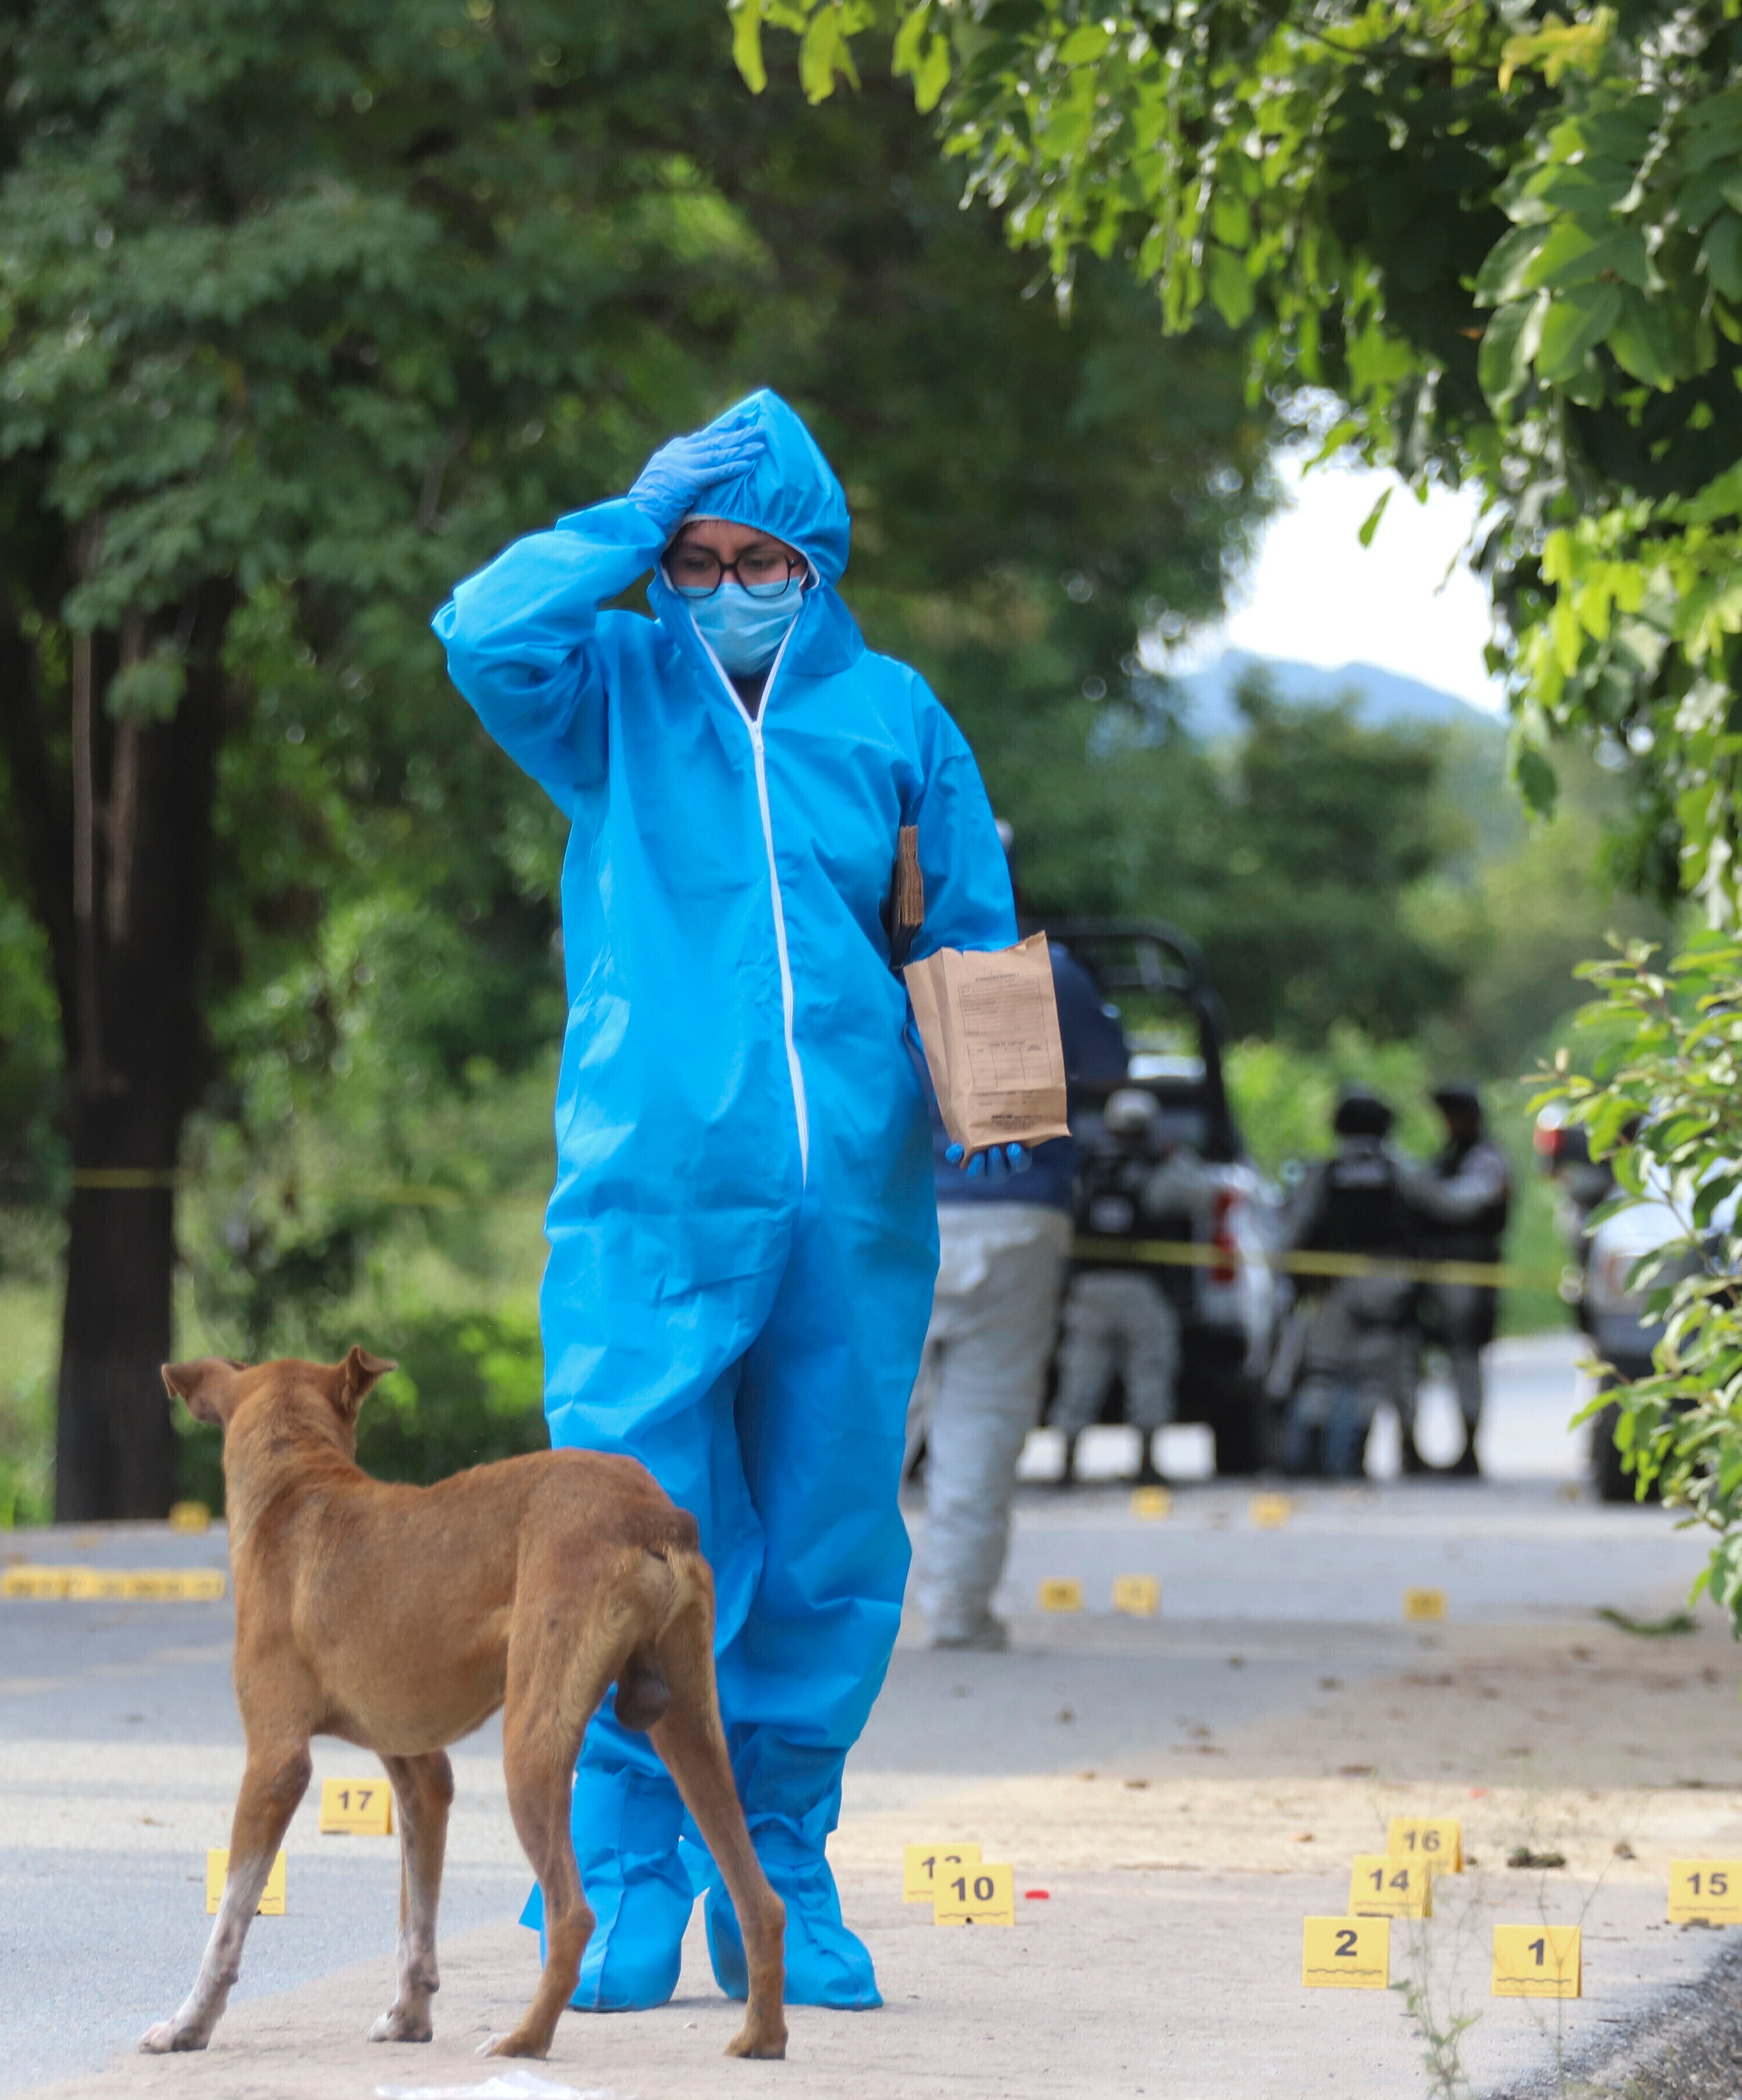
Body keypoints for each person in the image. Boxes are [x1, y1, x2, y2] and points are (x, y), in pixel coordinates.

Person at [434, 389, 1020, 2015]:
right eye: (692, 560)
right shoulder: (610, 690)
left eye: (750, 557)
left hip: (852, 1196)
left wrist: (996, 1107)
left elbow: (964, 921)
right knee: (612, 1536)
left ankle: (777, 1866)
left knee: (829, 1527)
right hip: (648, 1191)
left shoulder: (895, 717)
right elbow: (479, 628)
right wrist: (626, 523)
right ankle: (615, 1874)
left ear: (813, 563)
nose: (717, 586)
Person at [908, 941, 1131, 1651]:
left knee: (864, 1424)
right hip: (1018, 1214)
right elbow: (1110, 1069)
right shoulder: (1048, 969)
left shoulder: (882, 962)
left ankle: (819, 1621)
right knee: (984, 1420)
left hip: (899, 1210)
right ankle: (957, 1611)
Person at [1050, 1086, 1215, 1487]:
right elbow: (1205, 1197)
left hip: (1088, 1288)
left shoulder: (1085, 1169)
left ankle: (1067, 1464)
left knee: (1081, 1376)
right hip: (1142, 1288)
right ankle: (1146, 1462)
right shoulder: (1156, 1170)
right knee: (1150, 1372)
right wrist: (1179, 1160)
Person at [1272, 1090, 1417, 1478]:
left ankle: (1311, 1459)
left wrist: (1291, 1277)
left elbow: (1292, 1230)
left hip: (1332, 1287)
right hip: (1388, 1286)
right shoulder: (1397, 1169)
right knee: (1373, 1375)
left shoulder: (1325, 1171)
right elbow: (1445, 1204)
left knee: (1323, 1371)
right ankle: (1356, 1459)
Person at [1402, 1080, 1509, 1478]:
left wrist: (1418, 1187)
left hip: (1469, 1272)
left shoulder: (1487, 1161)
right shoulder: (1447, 1159)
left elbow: (1458, 1205)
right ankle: (1411, 1448)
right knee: (1415, 1354)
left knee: (1465, 1359)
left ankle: (1469, 1449)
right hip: (1437, 1273)